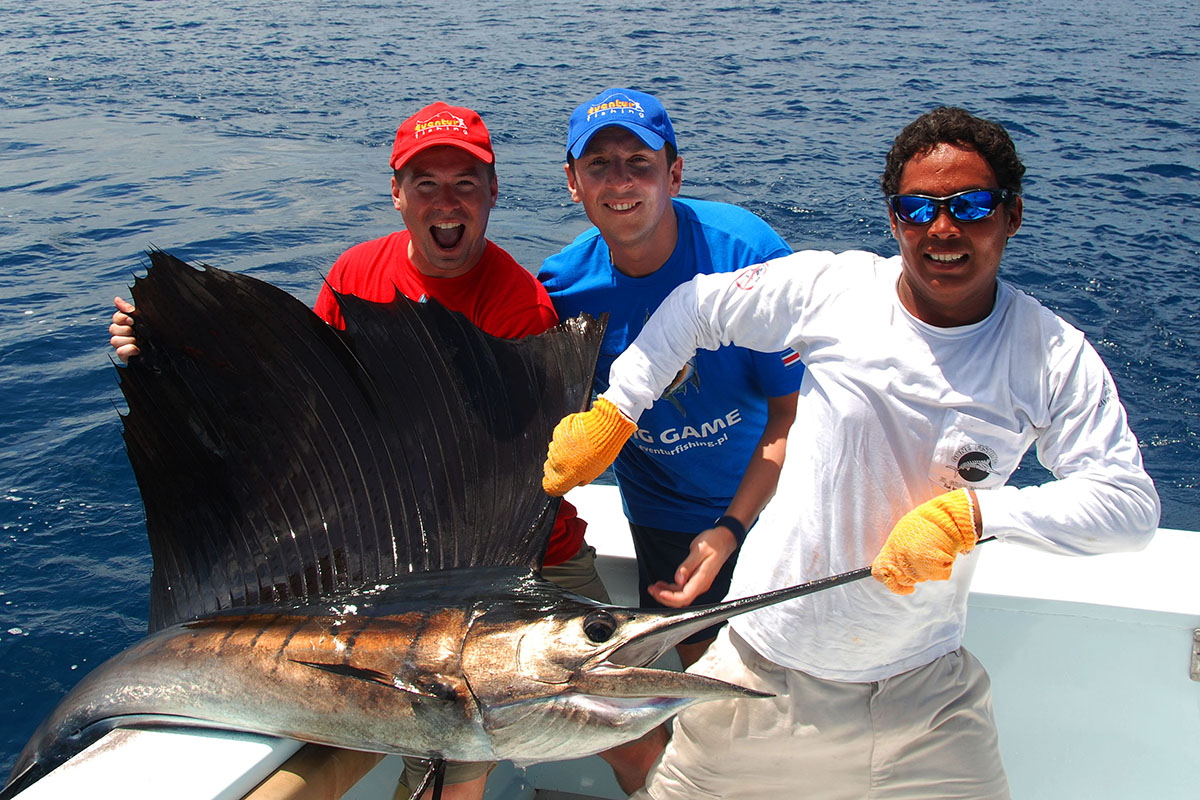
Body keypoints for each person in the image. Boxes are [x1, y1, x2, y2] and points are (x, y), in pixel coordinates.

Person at [543, 106, 1160, 799]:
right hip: (760, 670)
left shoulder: (1051, 354)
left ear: (1012, 215)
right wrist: (619, 408)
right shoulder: (833, 290)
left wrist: (975, 518)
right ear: (894, 220)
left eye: (972, 205)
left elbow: (1129, 506)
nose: (943, 229)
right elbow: (695, 308)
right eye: (918, 209)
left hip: (922, 693)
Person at [111, 101, 609, 800]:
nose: (447, 202)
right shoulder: (355, 274)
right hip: (396, 564)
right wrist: (166, 349)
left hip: (525, 559)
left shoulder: (519, 306)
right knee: (451, 766)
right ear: (397, 194)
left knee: (625, 725)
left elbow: (483, 482)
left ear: (494, 193)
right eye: (426, 183)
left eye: (466, 182)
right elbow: (309, 411)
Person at [539, 87, 804, 667]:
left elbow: (795, 416)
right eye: (599, 165)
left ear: (675, 174)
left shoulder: (748, 255)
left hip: (771, 500)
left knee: (785, 673)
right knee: (704, 674)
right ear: (573, 181)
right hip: (664, 514)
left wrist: (733, 526)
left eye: (640, 164)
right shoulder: (562, 290)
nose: (620, 181)